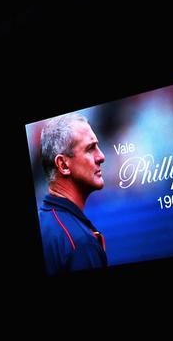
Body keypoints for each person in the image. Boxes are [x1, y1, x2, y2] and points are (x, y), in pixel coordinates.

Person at [37, 112, 108, 275]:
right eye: (90, 149)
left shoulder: (44, 223)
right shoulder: (80, 243)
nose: (101, 156)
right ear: (63, 165)